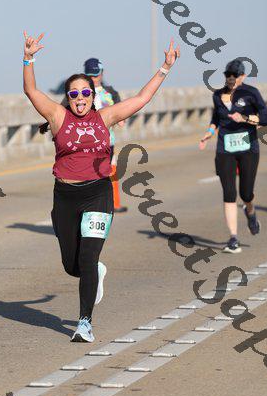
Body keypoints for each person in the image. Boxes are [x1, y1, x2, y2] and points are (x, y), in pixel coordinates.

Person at [23, 31, 180, 342]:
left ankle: (84, 323)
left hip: (97, 193)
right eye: (74, 94)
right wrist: (28, 58)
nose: (80, 98)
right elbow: (31, 90)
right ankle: (95, 272)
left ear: (93, 95)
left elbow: (141, 99)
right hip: (65, 196)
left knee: (87, 259)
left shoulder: (105, 117)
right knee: (72, 265)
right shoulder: (57, 116)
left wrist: (165, 67)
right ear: (68, 97)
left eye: (85, 93)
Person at [199, 58, 267, 254]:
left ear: (243, 76)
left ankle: (250, 211)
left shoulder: (251, 93)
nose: (231, 79)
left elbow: (266, 119)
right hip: (225, 149)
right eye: (227, 75)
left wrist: (245, 118)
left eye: (235, 76)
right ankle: (233, 238)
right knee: (229, 193)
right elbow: (216, 118)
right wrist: (209, 133)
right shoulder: (217, 95)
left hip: (248, 148)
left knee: (245, 193)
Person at [83, 57, 127, 214]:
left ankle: (113, 203)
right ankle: (93, 205)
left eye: (95, 75)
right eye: (90, 76)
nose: (93, 79)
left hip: (107, 142)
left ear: (101, 73)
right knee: (90, 174)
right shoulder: (79, 93)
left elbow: (122, 119)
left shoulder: (111, 93)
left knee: (108, 171)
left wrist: (118, 118)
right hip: (85, 142)